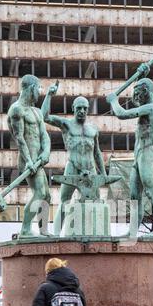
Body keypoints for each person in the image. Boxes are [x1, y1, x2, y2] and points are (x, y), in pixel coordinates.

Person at [106, 71, 153, 240]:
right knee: (135, 196)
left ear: (146, 91)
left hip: (147, 154)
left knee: (152, 192)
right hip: (138, 156)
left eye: (138, 94)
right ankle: (132, 232)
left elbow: (121, 114)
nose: (136, 98)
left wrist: (114, 100)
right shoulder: (147, 108)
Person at [41, 82, 107, 235]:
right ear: (73, 109)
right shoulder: (66, 125)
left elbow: (97, 152)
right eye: (79, 108)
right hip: (73, 168)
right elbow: (45, 116)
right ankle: (56, 235)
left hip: (90, 170)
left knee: (95, 203)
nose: (82, 111)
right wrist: (49, 95)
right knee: (64, 201)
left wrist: (103, 174)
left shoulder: (93, 129)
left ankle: (99, 235)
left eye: (85, 108)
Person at [7, 74, 51, 237]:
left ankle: (43, 230)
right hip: (28, 161)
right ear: (31, 88)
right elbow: (19, 138)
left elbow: (44, 135)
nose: (39, 93)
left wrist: (46, 152)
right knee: (39, 193)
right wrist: (29, 161)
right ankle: (25, 229)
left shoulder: (37, 112)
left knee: (46, 195)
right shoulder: (16, 110)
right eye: (38, 89)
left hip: (38, 160)